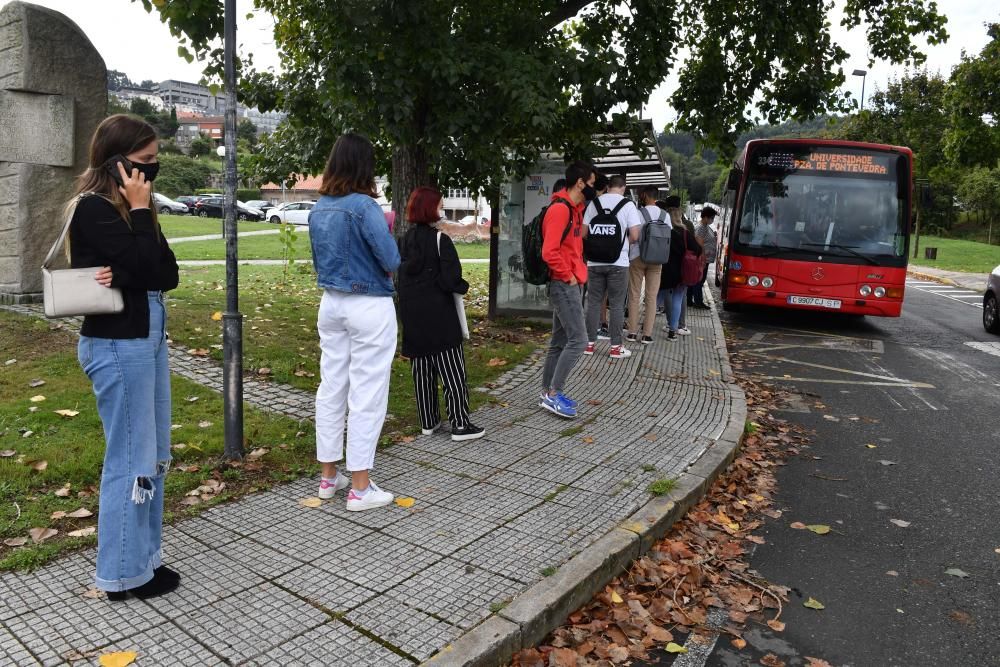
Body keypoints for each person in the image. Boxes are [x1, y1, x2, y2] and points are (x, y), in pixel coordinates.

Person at [70, 114, 180, 600]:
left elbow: (166, 274)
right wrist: (138, 217)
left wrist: (139, 225)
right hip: (117, 342)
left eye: (154, 162)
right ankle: (119, 575)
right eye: (145, 162)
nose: (152, 172)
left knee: (153, 457)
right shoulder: (91, 209)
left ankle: (145, 560)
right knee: (129, 458)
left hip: (148, 336)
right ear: (117, 164)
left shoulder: (140, 207)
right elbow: (141, 266)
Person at [310, 133, 401, 511]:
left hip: (331, 303)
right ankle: (361, 489)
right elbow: (391, 259)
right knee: (367, 392)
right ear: (365, 165)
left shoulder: (319, 208)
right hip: (368, 305)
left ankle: (329, 477)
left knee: (332, 387)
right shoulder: (364, 207)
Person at [397, 187, 485, 442]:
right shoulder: (440, 240)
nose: (441, 210)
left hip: (413, 317)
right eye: (439, 205)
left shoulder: (403, 241)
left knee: (422, 371)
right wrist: (463, 287)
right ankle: (459, 423)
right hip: (440, 316)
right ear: (431, 209)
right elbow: (451, 280)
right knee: (452, 372)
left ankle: (429, 421)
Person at [539, 161, 595, 418]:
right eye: (592, 184)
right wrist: (569, 276)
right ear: (581, 183)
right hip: (564, 284)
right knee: (579, 340)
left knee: (559, 341)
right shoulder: (560, 210)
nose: (595, 189)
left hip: (570, 281)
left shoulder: (574, 209)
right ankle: (553, 394)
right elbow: (549, 252)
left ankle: (546, 392)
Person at [582, 174, 641, 358]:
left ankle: (589, 344)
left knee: (593, 302)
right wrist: (622, 243)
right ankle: (616, 348)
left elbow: (584, 233)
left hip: (594, 262)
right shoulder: (628, 205)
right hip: (618, 263)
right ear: (623, 188)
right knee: (616, 305)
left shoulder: (594, 204)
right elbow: (635, 236)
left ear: (608, 186)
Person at [626, 186, 667, 344]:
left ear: (644, 196)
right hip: (657, 260)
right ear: (656, 196)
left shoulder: (638, 213)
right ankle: (647, 335)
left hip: (637, 256)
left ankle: (631, 332)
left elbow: (633, 235)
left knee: (634, 295)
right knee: (651, 297)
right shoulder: (665, 215)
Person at [659, 198, 702, 341]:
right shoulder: (685, 233)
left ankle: (645, 328)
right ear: (679, 217)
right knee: (677, 299)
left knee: (656, 298)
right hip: (681, 271)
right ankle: (673, 331)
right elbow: (697, 249)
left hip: (664, 270)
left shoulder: (664, 230)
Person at [690, 206, 718, 309]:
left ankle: (694, 300)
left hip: (706, 260)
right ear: (706, 217)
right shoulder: (701, 227)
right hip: (702, 259)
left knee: (700, 280)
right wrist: (703, 258)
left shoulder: (706, 226)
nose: (712, 220)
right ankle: (698, 301)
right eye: (712, 218)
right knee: (699, 280)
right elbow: (700, 244)